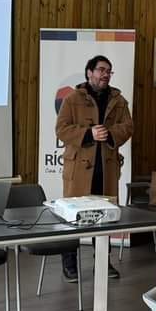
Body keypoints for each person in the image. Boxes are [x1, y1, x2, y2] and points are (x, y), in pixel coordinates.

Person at [55, 54, 134, 280]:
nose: (105, 74)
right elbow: (61, 129)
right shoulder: (72, 99)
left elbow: (128, 127)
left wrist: (110, 134)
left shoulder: (119, 101)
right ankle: (69, 264)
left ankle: (103, 262)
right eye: (101, 70)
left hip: (106, 168)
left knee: (104, 217)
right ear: (89, 73)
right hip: (79, 170)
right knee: (72, 218)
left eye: (108, 71)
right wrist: (88, 133)